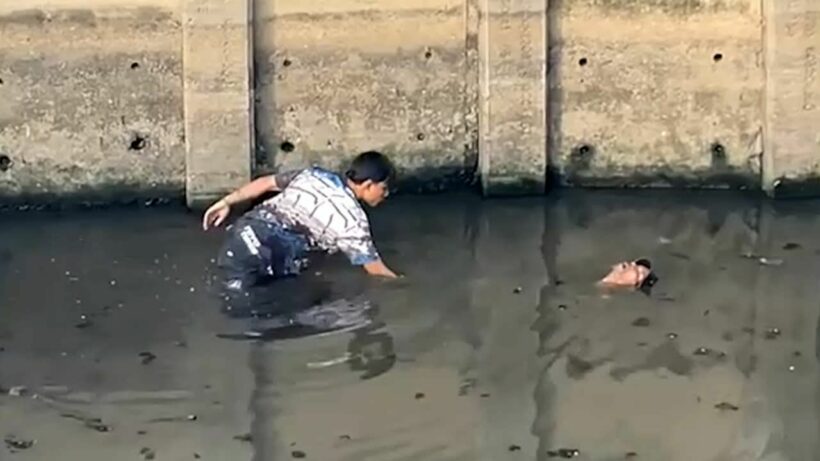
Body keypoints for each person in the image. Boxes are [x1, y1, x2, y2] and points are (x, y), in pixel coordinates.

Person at [202, 151, 400, 319]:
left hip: (241, 235)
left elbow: (266, 183)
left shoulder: (314, 175)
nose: (386, 194)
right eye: (383, 188)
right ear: (367, 185)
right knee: (313, 302)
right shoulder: (354, 222)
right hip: (270, 255)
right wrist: (406, 285)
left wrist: (227, 202)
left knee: (233, 294)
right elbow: (376, 271)